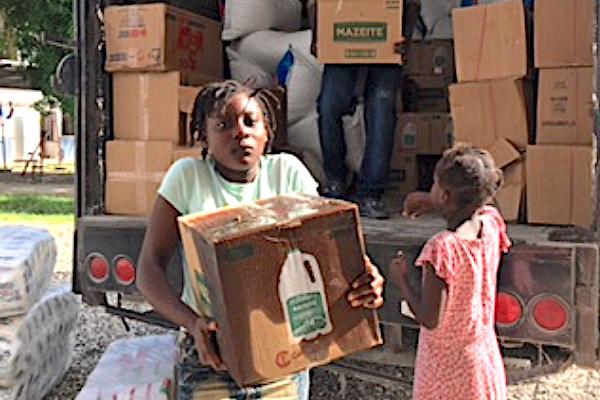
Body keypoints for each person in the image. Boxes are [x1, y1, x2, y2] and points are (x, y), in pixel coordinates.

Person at [136, 80, 385, 400]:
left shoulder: (288, 174)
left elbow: (325, 248)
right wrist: (192, 322)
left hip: (283, 353)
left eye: (250, 122)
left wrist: (363, 276)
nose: (240, 132)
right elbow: (149, 267)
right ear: (203, 138)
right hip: (211, 354)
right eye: (223, 125)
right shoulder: (188, 177)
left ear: (267, 133)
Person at [389, 143, 510, 399]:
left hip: (446, 370)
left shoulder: (442, 248)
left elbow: (430, 319)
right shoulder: (490, 224)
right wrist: (434, 201)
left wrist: (402, 281)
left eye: (434, 185)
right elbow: (479, 207)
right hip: (482, 361)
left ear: (445, 195)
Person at [314, 0, 422, 219]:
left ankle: (371, 193)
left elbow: (412, 3)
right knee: (329, 106)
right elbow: (317, 4)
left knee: (382, 113)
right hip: (341, 43)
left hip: (385, 47)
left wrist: (406, 40)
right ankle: (335, 182)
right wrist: (318, 35)